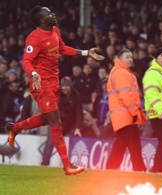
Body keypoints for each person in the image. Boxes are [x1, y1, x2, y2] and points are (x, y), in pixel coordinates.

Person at [3, 6, 104, 175]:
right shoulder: (34, 38)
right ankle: (67, 165)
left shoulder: (55, 30)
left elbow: (62, 49)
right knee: (56, 121)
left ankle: (15, 128)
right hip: (40, 84)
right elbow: (26, 61)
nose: (53, 15)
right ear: (42, 20)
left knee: (45, 118)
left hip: (54, 83)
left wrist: (86, 53)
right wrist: (34, 74)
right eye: (48, 13)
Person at [106, 49, 147, 171]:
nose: (130, 59)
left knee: (121, 145)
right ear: (119, 59)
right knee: (134, 146)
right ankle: (140, 172)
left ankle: (109, 170)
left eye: (131, 57)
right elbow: (125, 95)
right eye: (127, 57)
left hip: (123, 116)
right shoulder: (121, 73)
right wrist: (134, 112)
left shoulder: (120, 72)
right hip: (126, 115)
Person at [41, 76, 83, 165]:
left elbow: (79, 113)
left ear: (71, 86)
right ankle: (44, 164)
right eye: (63, 86)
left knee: (71, 143)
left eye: (67, 86)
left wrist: (78, 127)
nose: (65, 88)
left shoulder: (76, 96)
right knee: (50, 144)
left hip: (69, 125)